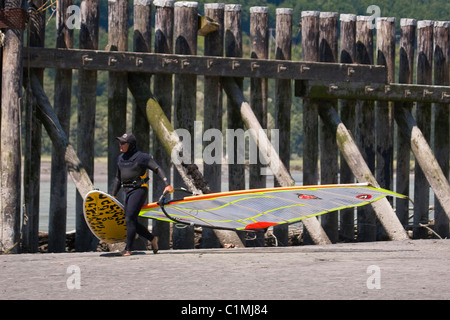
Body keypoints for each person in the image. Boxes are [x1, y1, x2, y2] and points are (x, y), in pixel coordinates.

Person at [112, 133, 174, 256]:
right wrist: (113, 195)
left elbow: (157, 168)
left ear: (131, 145)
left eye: (123, 143)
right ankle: (152, 238)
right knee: (130, 220)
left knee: (129, 218)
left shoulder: (142, 157)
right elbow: (118, 178)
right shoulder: (120, 158)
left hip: (139, 190)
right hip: (126, 191)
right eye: (120, 142)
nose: (121, 145)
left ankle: (128, 249)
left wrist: (167, 183)